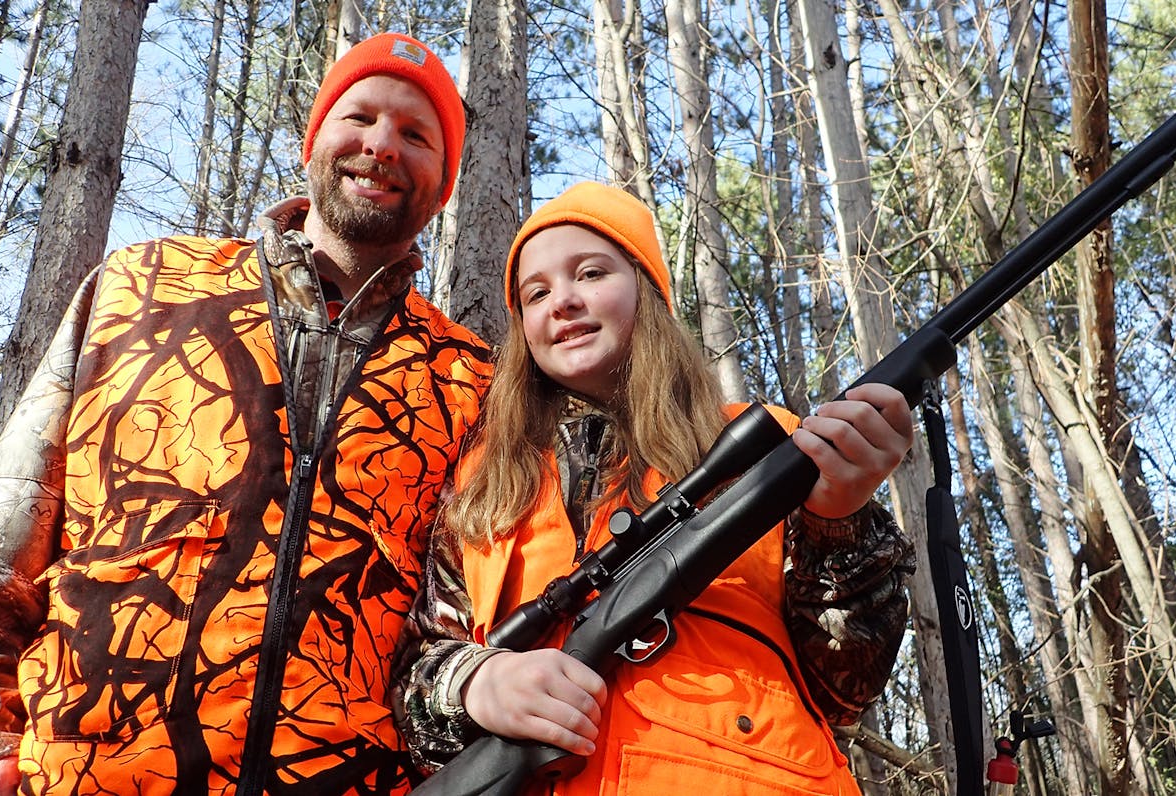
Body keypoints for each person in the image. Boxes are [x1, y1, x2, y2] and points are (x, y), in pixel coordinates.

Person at [0, 32, 493, 796]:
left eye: (416, 134)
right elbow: (9, 515)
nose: (382, 144)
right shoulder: (143, 285)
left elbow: (452, 625)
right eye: (362, 116)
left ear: (443, 182)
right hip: (88, 775)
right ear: (316, 140)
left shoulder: (468, 377)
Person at [392, 182, 917, 794]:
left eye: (590, 273)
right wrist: (476, 686)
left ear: (647, 291)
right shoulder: (484, 488)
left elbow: (844, 685)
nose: (562, 301)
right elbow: (415, 679)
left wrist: (839, 519)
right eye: (536, 293)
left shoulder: (772, 452)